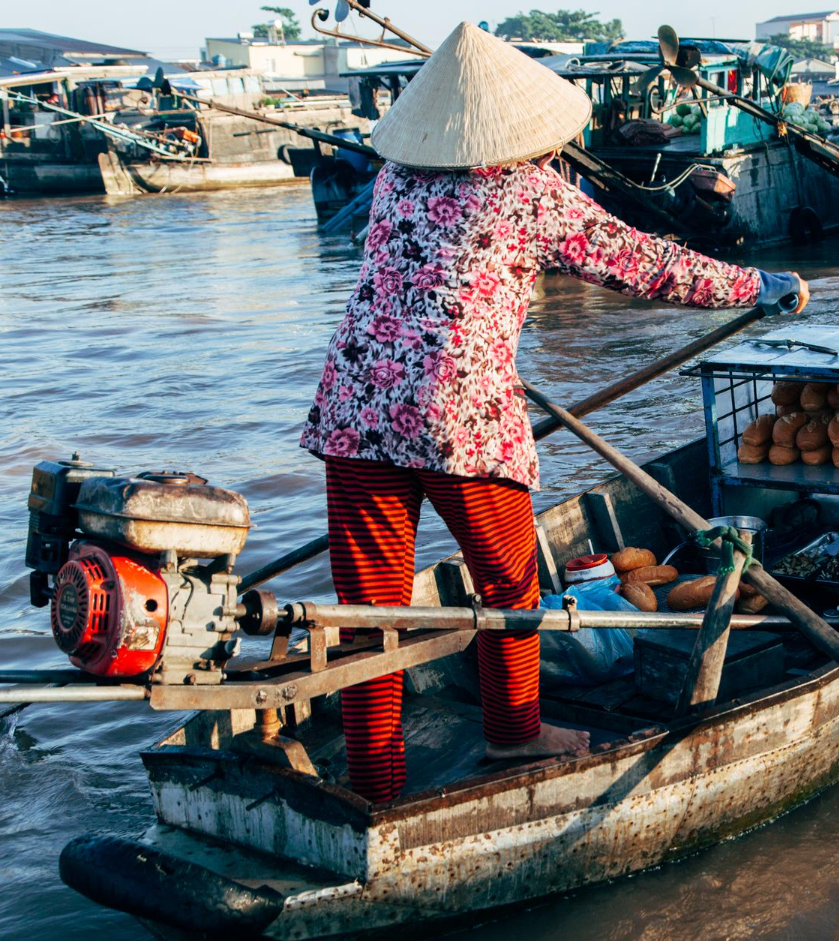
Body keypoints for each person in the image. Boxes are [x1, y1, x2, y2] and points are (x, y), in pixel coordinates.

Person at [301, 22, 809, 803]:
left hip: (356, 404)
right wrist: (756, 287)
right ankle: (515, 734)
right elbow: (647, 267)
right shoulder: (529, 192)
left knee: (370, 613)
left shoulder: (397, 178)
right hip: (454, 415)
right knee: (507, 585)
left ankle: (375, 785)